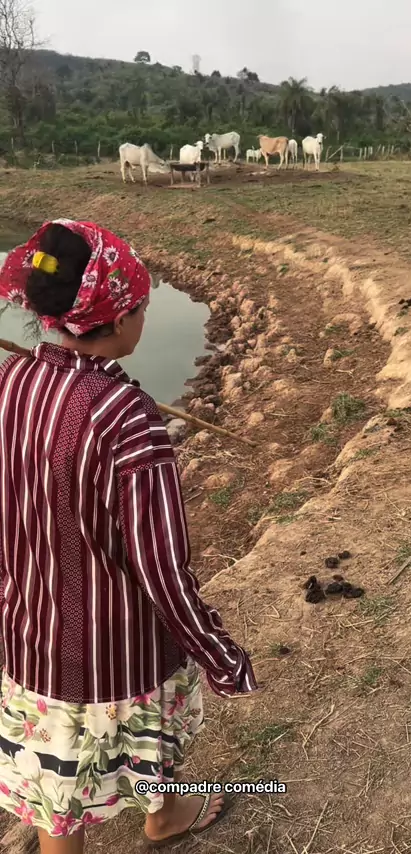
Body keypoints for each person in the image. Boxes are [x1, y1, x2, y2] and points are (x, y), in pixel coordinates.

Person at [0, 219, 258, 854]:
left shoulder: (12, 383)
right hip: (116, 645)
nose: (144, 318)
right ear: (117, 321)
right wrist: (217, 652)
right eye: (141, 307)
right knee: (146, 727)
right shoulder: (126, 417)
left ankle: (161, 819)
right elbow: (160, 566)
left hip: (31, 632)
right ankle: (162, 816)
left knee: (56, 767)